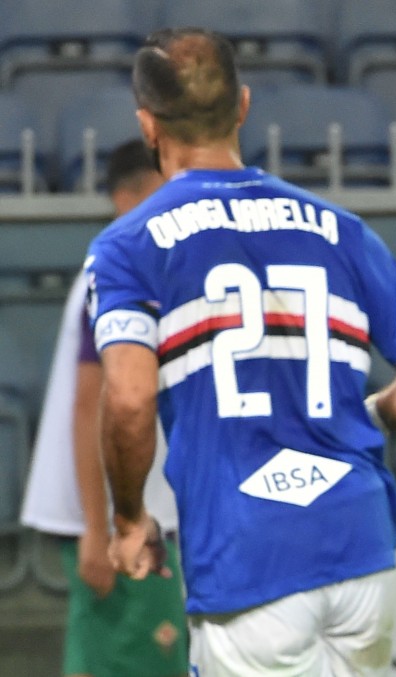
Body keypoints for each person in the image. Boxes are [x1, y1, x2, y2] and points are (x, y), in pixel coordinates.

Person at [85, 28, 396, 676]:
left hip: (246, 553)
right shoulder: (341, 228)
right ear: (244, 105)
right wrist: (369, 415)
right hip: (360, 541)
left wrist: (127, 517)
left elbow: (128, 395)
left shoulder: (129, 246)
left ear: (148, 125)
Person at [20, 139, 188, 677]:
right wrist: (101, 527)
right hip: (123, 522)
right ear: (127, 198)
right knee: (128, 659)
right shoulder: (115, 269)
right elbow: (91, 405)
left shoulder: (139, 264)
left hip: (137, 514)